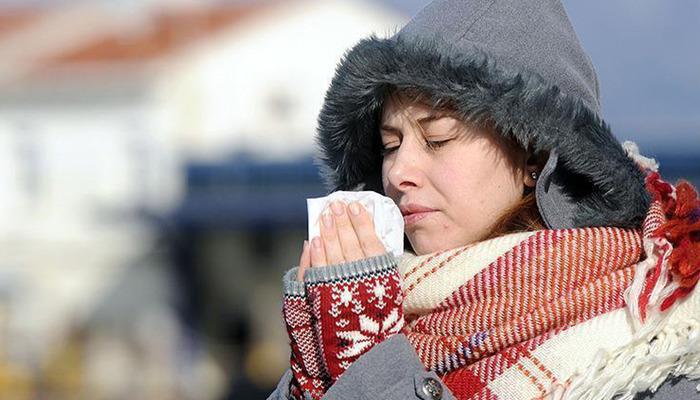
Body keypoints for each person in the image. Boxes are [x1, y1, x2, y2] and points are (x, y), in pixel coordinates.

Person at [268, 0, 700, 399]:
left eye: (437, 139)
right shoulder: (363, 301)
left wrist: (370, 367)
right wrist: (312, 378)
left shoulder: (652, 344)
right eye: (389, 144)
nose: (398, 172)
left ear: (533, 152)